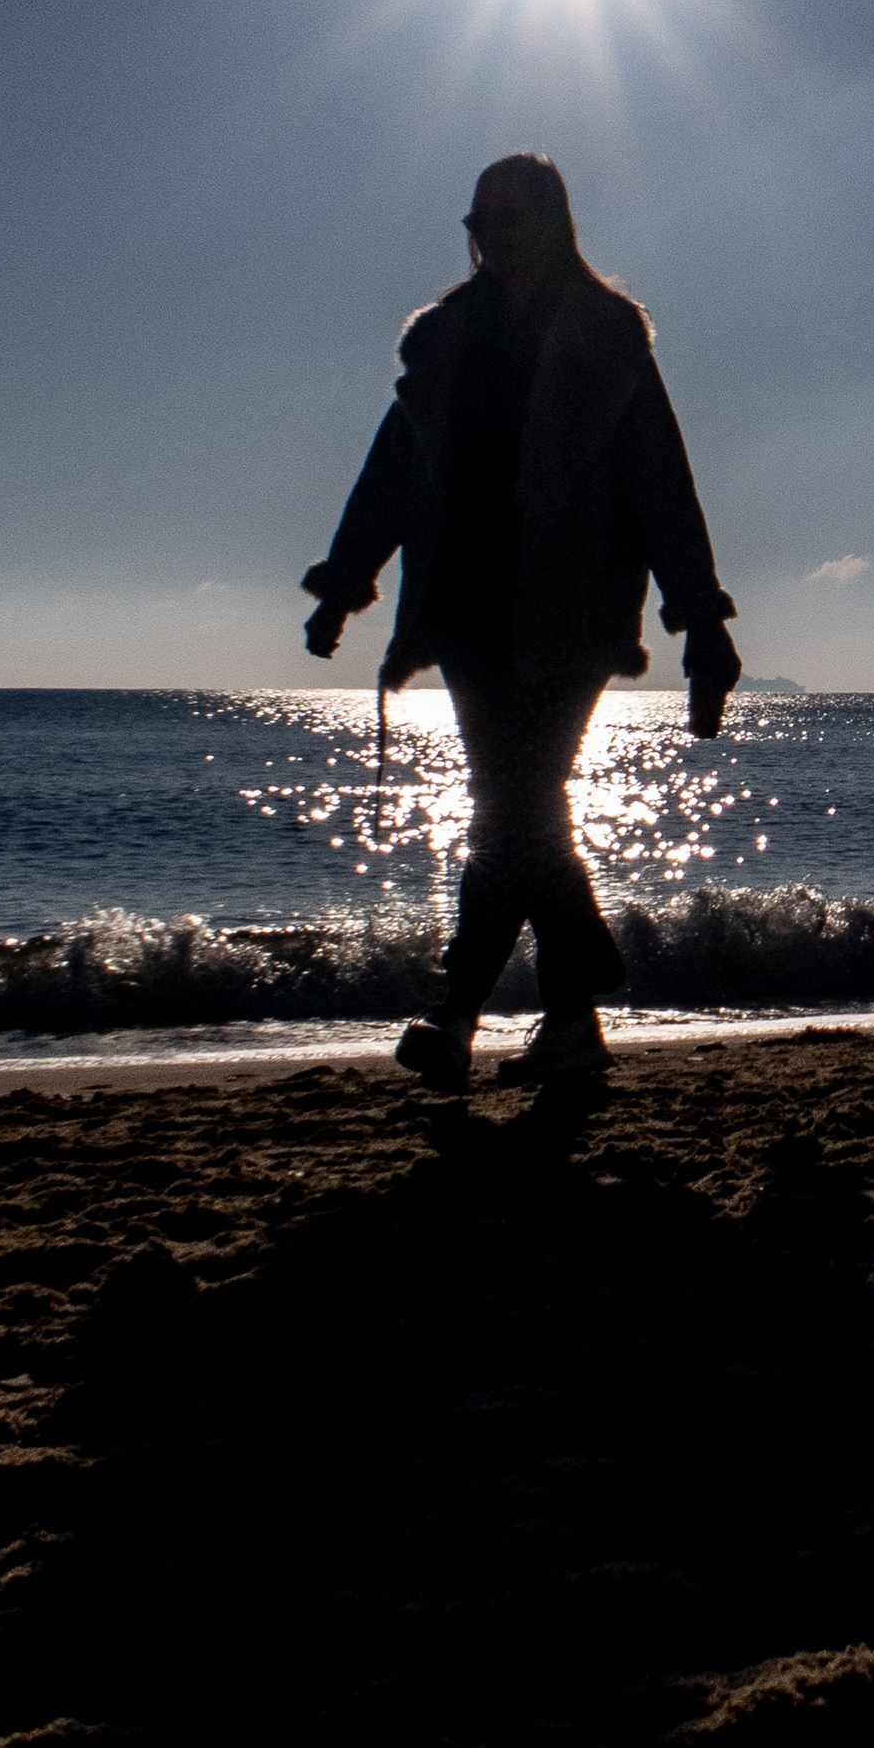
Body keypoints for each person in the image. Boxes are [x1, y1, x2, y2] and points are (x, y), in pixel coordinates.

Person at [301, 154, 740, 1088]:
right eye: (482, 219)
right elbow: (391, 472)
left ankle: (459, 1014)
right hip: (461, 608)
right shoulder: (445, 339)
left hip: (569, 611)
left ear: (554, 223)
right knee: (518, 811)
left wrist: (700, 619)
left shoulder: (606, 338)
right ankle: (572, 1013)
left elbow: (662, 481)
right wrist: (344, 582)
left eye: (514, 217)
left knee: (512, 808)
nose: (496, 235)